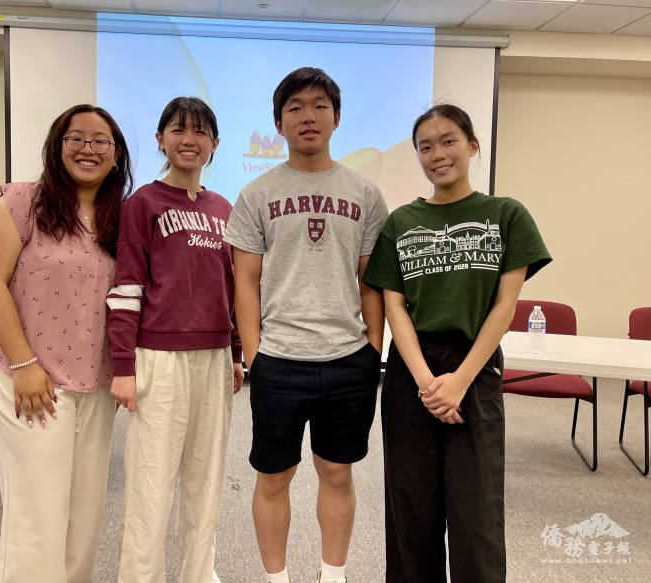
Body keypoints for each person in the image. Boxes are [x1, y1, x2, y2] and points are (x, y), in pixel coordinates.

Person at [363, 104, 552, 583]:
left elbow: (504, 307)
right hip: (413, 372)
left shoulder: (506, 214)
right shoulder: (401, 221)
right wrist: (428, 383)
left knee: (476, 509)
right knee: (411, 507)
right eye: (425, 146)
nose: (437, 154)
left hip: (475, 367)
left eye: (448, 141)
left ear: (472, 145)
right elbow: (394, 307)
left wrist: (460, 381)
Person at [224, 67, 388, 583]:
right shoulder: (256, 194)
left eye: (319, 105)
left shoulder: (365, 193)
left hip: (348, 360)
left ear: (337, 117)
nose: (308, 116)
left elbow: (371, 282)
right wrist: (255, 353)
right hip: (279, 361)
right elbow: (244, 282)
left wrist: (372, 349)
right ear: (279, 122)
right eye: (295, 107)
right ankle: (277, 578)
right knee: (273, 476)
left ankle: (332, 574)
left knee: (337, 473)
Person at [0, 104, 132, 583]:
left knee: (84, 516)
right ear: (56, 145)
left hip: (95, 384)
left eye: (100, 140)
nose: (88, 148)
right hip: (32, 379)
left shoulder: (119, 218)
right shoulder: (22, 202)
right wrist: (23, 365)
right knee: (37, 515)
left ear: (117, 154)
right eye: (76, 138)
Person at [107, 96, 244, 583]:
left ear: (215, 145)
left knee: (205, 482)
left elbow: (230, 293)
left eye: (201, 132)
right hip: (158, 359)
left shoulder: (224, 209)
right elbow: (125, 290)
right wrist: (124, 366)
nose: (190, 140)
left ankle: (198, 575)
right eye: (179, 130)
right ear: (162, 138)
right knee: (151, 482)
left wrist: (235, 354)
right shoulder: (141, 204)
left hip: (211, 359)